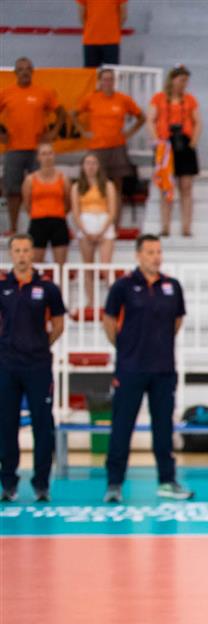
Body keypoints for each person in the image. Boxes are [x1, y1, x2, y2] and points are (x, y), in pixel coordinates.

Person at [101, 234, 192, 503]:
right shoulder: (123, 286)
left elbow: (177, 321)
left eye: (159, 252)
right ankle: (114, 483)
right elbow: (109, 322)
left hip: (163, 369)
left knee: (163, 428)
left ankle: (167, 481)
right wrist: (126, 348)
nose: (156, 257)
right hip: (130, 368)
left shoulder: (172, 286)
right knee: (122, 426)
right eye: (150, 252)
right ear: (138, 255)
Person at [0, 233, 66, 503]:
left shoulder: (48, 288)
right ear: (11, 254)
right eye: (17, 251)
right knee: (6, 425)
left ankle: (41, 485)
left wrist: (40, 346)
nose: (22, 255)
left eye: (26, 250)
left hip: (38, 366)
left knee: (42, 425)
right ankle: (8, 484)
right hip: (7, 366)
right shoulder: (2, 286)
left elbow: (58, 324)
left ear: (32, 253)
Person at [74, 66, 144, 227]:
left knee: (117, 188)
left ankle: (115, 225)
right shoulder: (91, 98)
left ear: (114, 81)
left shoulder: (123, 99)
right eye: (105, 79)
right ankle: (98, 223)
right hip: (97, 148)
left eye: (111, 79)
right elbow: (73, 114)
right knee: (97, 185)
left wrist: (128, 133)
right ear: (99, 82)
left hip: (117, 147)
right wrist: (83, 132)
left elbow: (141, 117)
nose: (108, 82)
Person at [1, 58, 61, 235]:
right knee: (13, 191)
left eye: (28, 69)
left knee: (39, 189)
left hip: (38, 150)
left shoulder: (43, 92)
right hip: (13, 149)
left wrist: (53, 133)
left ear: (33, 71)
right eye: (21, 69)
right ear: (15, 73)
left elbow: (61, 113)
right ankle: (13, 228)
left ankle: (37, 227)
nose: (24, 72)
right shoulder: (6, 93)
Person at [148, 65, 201, 238]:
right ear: (172, 79)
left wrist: (193, 142)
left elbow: (197, 121)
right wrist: (157, 141)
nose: (184, 84)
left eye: (186, 81)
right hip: (165, 144)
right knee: (166, 187)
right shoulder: (159, 98)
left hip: (185, 143)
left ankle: (186, 227)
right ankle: (165, 226)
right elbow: (150, 119)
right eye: (181, 80)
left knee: (186, 187)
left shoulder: (190, 99)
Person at [71, 152, 119, 279]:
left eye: (94, 163)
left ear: (98, 166)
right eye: (88, 163)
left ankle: (113, 292)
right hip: (85, 224)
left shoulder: (108, 185)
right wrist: (85, 232)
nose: (91, 166)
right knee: (88, 268)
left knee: (106, 267)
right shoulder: (76, 187)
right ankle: (90, 293)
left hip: (104, 223)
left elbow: (112, 211)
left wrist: (102, 232)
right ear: (83, 166)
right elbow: (75, 213)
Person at [22, 144, 71, 266]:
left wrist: (57, 212)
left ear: (54, 156)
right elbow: (27, 204)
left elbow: (68, 202)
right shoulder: (30, 179)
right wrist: (38, 212)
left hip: (58, 222)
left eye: (50, 153)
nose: (47, 157)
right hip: (38, 223)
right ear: (38, 157)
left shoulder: (63, 179)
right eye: (43, 154)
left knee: (61, 265)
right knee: (35, 264)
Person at [77, 0, 127, 68]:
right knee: (95, 72)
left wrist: (91, 28)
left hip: (103, 40)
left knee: (108, 71)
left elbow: (123, 16)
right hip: (100, 40)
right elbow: (123, 15)